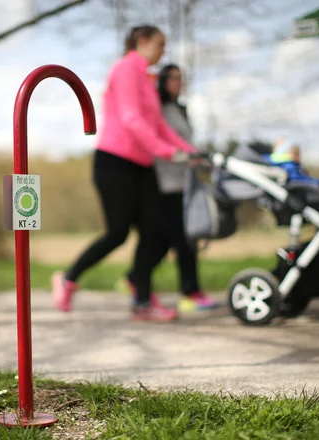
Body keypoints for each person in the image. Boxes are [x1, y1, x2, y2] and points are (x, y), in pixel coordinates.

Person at [51, 25, 198, 322]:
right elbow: (131, 120)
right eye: (160, 44)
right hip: (114, 161)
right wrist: (167, 152)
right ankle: (68, 278)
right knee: (118, 232)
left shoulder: (145, 76)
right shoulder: (125, 69)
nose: (163, 51)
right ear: (141, 42)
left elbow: (159, 125)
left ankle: (142, 300)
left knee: (156, 231)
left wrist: (191, 152)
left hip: (142, 165)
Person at [118, 64, 219, 313]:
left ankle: (134, 278)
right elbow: (157, 140)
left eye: (180, 78)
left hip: (184, 181)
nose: (178, 82)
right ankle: (189, 292)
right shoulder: (158, 108)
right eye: (172, 78)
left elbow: (184, 142)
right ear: (162, 81)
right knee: (182, 238)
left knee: (164, 240)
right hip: (164, 182)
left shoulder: (179, 108)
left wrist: (199, 159)